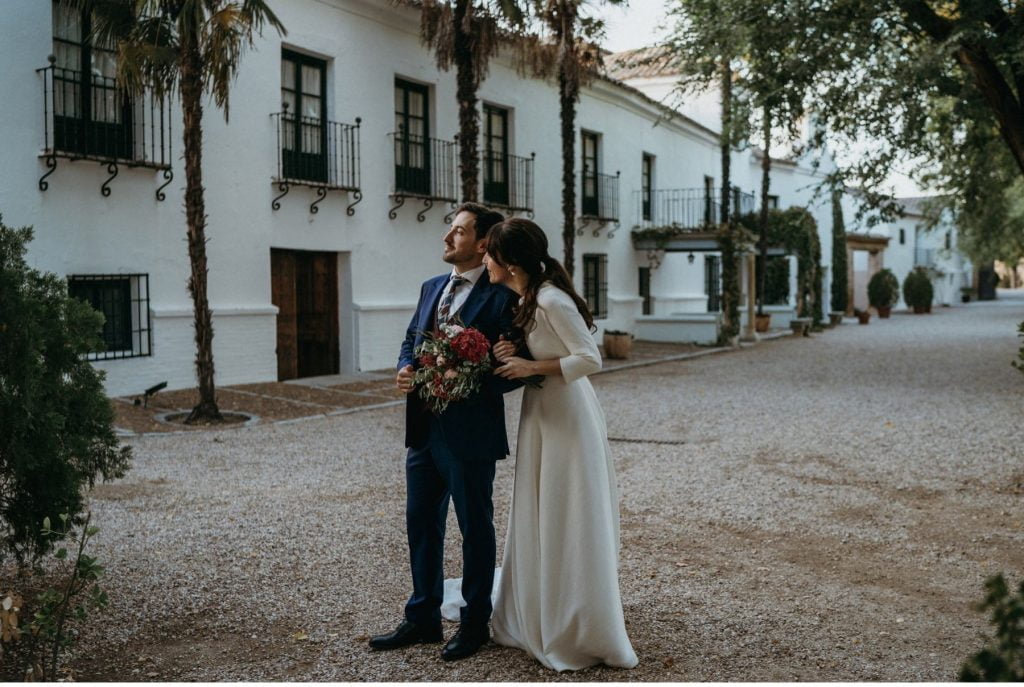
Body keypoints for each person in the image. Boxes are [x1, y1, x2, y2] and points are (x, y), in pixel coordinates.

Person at [368, 203, 523, 662]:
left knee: (475, 527)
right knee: (421, 522)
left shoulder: (501, 299)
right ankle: (422, 618)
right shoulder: (430, 287)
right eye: (449, 229)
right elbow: (410, 339)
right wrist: (404, 368)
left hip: (471, 431)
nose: (446, 237)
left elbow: (513, 368)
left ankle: (475, 622)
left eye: (457, 231)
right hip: (423, 427)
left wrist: (465, 380)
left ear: (482, 243)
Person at [483, 217, 639, 671]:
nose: (486, 261)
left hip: (567, 416)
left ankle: (576, 621)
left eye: (491, 253)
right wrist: (517, 356)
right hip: (545, 412)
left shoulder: (550, 298)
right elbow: (553, 351)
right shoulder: (532, 297)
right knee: (543, 507)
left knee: (567, 510)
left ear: (510, 263)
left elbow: (590, 358)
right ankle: (542, 604)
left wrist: (530, 369)